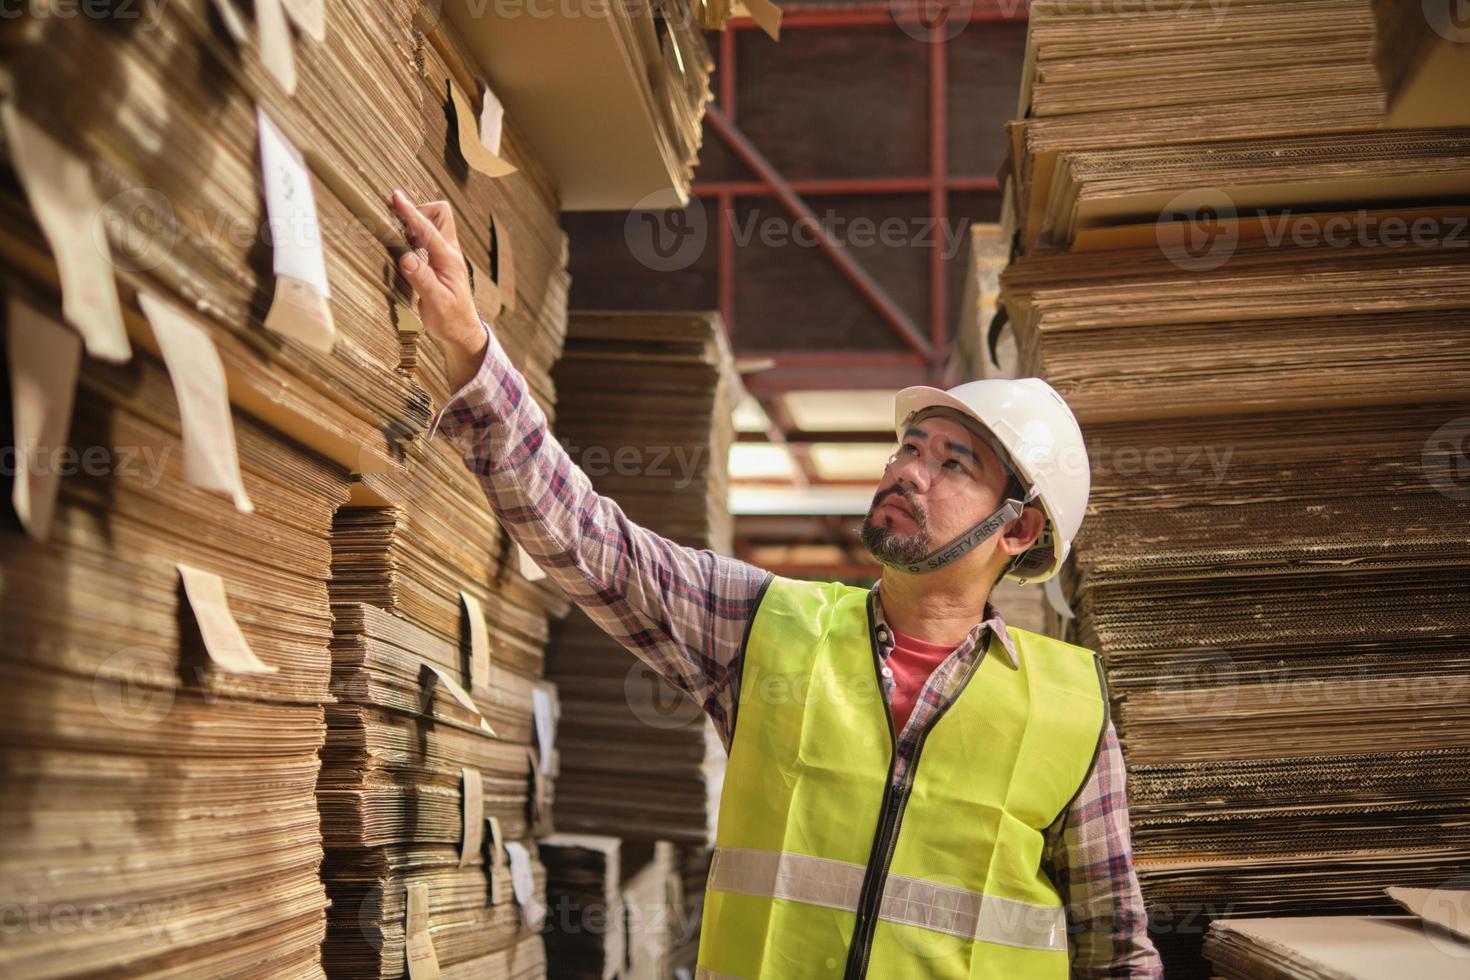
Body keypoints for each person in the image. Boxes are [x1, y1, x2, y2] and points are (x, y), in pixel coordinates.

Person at [392, 190, 1164, 979]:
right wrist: (468, 346)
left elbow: (1116, 950)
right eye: (909, 447)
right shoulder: (769, 626)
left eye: (951, 463)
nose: (906, 471)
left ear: (1018, 530)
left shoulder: (1069, 708)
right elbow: (592, 541)